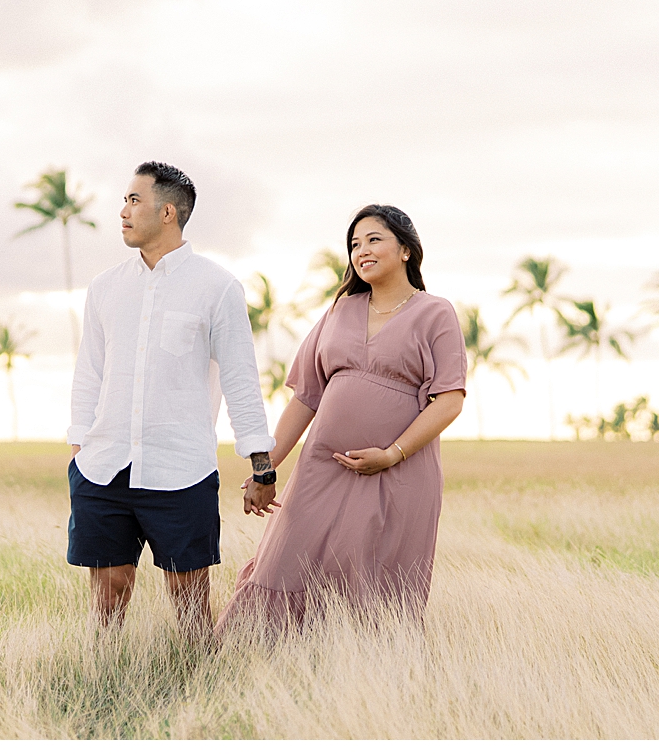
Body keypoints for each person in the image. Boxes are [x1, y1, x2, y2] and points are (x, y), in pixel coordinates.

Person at [215, 204, 467, 637]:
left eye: (374, 239)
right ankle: (251, 664)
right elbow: (305, 399)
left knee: (375, 575)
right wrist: (264, 466)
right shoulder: (339, 312)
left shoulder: (435, 313)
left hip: (400, 472)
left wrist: (391, 454)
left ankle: (365, 681)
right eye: (354, 244)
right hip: (323, 467)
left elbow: (449, 400)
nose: (361, 251)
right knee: (283, 560)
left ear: (406, 249)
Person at [66, 161, 276, 637]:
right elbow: (89, 373)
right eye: (124, 200)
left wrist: (262, 466)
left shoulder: (217, 287)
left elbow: (242, 380)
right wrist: (80, 447)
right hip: (104, 465)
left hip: (181, 468)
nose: (122, 211)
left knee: (189, 603)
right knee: (109, 591)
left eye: (133, 200)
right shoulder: (104, 288)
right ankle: (100, 680)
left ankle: (198, 685)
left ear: (167, 212)